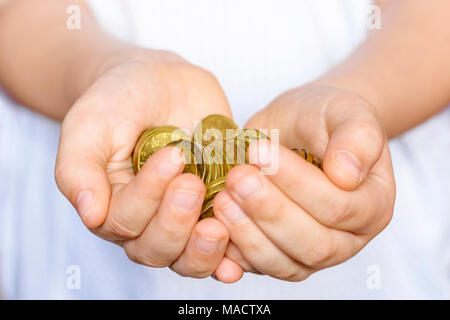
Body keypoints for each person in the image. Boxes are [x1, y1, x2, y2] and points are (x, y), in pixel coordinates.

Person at [0, 0, 448, 299]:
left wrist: (359, 100)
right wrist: (100, 71)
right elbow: (23, 15)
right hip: (89, 260)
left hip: (383, 249)